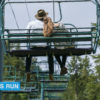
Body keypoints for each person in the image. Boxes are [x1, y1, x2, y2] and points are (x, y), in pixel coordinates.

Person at [26, 9, 67, 81]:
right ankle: (51, 73)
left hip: (33, 47)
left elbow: (26, 35)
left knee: (28, 55)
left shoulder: (30, 24)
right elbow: (51, 34)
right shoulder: (47, 24)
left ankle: (28, 71)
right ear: (44, 16)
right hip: (45, 47)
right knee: (50, 55)